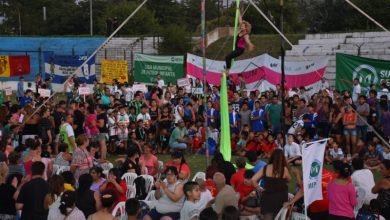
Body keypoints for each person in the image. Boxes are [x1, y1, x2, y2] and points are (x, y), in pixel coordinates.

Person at [251, 149, 291, 220]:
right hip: (281, 199)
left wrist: (259, 189)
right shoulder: (284, 169)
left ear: (272, 157)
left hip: (268, 198)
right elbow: (289, 180)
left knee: (268, 217)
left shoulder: (265, 168)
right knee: (279, 217)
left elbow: (253, 180)